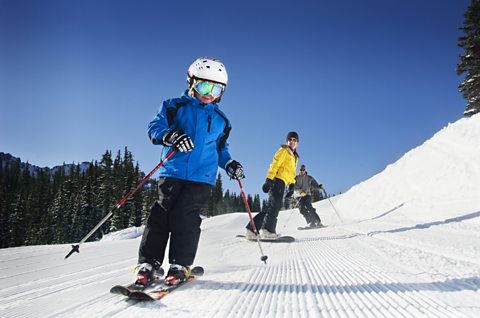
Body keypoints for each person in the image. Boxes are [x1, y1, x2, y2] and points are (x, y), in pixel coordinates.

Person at [136, 57, 245, 286]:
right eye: (205, 86)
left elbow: (221, 150)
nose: (210, 93)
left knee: (185, 217)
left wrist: (230, 164)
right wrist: (171, 136)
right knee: (161, 214)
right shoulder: (174, 106)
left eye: (216, 89)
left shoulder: (221, 121)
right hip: (172, 170)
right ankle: (148, 263)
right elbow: (155, 127)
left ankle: (180, 264)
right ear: (192, 83)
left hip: (201, 177)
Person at [246, 132, 299, 239]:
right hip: (277, 180)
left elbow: (291, 172)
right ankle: (267, 230)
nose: (292, 142)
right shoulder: (284, 150)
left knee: (270, 206)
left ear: (297, 143)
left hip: (283, 183)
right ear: (287, 141)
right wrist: (269, 179)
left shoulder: (294, 157)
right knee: (275, 205)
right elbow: (275, 164)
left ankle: (252, 229)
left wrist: (292, 184)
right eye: (290, 139)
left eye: (294, 140)